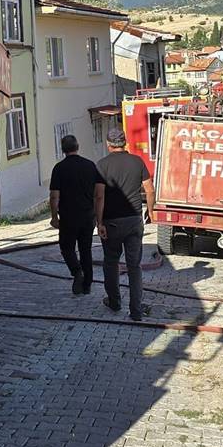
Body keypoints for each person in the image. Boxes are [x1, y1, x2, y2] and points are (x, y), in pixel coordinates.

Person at [95, 128, 155, 321]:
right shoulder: (137, 162)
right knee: (134, 266)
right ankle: (136, 310)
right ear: (125, 142)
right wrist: (151, 211)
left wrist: (99, 222)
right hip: (133, 221)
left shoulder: (102, 165)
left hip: (111, 222)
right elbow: (149, 189)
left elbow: (99, 195)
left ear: (108, 144)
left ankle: (114, 302)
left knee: (111, 263)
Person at [49, 135, 105, 295]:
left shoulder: (59, 168)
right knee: (85, 249)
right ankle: (87, 285)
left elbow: (54, 196)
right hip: (88, 216)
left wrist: (54, 217)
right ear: (77, 146)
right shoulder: (90, 166)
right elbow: (99, 193)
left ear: (62, 149)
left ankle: (76, 272)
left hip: (68, 216)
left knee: (67, 248)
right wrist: (98, 217)